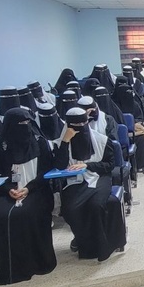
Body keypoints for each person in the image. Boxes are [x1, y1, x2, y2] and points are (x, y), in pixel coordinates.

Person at [0, 108, 57, 285]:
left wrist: (28, 188)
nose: (25, 127)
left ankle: (38, 262)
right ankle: (11, 268)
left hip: (36, 190)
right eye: (20, 124)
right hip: (9, 192)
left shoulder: (39, 143)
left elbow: (46, 172)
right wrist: (8, 189)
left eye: (27, 123)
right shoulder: (2, 147)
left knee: (26, 213)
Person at [55, 108, 125, 260]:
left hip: (99, 177)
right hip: (74, 181)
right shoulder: (61, 142)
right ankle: (82, 240)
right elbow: (59, 165)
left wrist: (87, 165)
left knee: (96, 205)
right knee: (70, 209)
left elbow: (109, 165)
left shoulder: (101, 140)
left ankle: (103, 246)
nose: (81, 128)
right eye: (76, 126)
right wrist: (65, 141)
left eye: (83, 124)